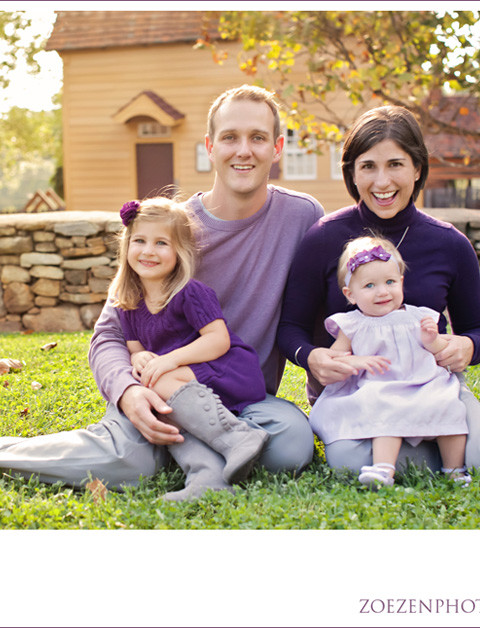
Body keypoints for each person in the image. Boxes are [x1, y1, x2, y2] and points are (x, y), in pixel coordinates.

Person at [0, 85, 324, 495]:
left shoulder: (302, 216)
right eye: (230, 137)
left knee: (291, 446)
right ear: (210, 146)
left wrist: (326, 393)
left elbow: (320, 311)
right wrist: (128, 391)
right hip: (161, 391)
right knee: (130, 460)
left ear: (277, 148)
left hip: (240, 399)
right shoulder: (167, 231)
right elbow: (110, 333)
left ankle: (203, 449)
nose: (244, 151)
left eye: (257, 137)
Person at [278, 104, 480, 473]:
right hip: (358, 392)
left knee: (478, 456)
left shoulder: (450, 244)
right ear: (352, 173)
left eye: (395, 164)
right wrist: (312, 357)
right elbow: (290, 327)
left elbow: (476, 327)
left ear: (417, 168)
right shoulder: (324, 238)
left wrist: (469, 346)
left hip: (431, 389)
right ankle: (419, 453)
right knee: (351, 463)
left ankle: (428, 448)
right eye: (368, 166)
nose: (382, 182)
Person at [111, 195, 268, 499]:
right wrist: (140, 356)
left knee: (157, 382)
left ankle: (238, 436)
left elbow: (218, 339)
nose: (148, 251)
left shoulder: (190, 293)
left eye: (161, 243)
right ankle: (208, 478)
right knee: (159, 402)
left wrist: (168, 360)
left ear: (179, 251)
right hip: (182, 383)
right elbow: (134, 346)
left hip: (226, 370)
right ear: (127, 245)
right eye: (140, 240)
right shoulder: (129, 300)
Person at [309, 234, 470, 487]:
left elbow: (439, 350)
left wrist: (432, 340)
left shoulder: (418, 316)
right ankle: (383, 468)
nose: (383, 291)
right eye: (369, 286)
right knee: (383, 406)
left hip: (424, 383)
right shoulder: (353, 325)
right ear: (350, 294)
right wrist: (357, 361)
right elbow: (335, 359)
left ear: (401, 282)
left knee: (448, 406)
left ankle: (454, 470)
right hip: (379, 385)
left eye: (390, 282)